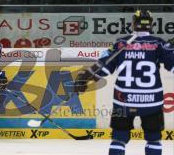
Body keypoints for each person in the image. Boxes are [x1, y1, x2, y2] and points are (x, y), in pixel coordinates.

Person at [74, 10, 174, 155]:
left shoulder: (121, 44)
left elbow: (102, 67)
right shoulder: (159, 44)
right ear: (150, 25)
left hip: (124, 101)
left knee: (118, 139)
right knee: (153, 140)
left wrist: (83, 78)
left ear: (133, 24)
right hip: (151, 102)